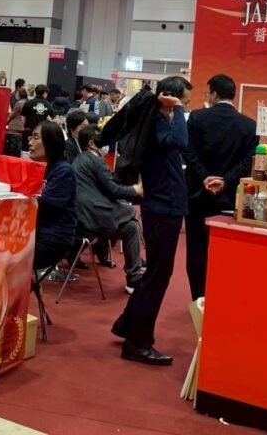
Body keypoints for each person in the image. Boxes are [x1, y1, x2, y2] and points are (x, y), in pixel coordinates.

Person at [113, 75, 191, 366]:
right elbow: (180, 141)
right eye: (184, 101)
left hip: (165, 204)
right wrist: (177, 109)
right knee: (158, 275)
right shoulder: (158, 122)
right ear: (170, 99)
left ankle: (127, 324)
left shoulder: (160, 122)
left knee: (156, 273)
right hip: (162, 207)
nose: (186, 107)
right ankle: (138, 342)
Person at [183, 73, 257, 300]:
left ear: (214, 94)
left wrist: (206, 177)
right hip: (229, 198)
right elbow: (248, 162)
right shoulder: (249, 125)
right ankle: (221, 299)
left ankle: (199, 300)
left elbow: (188, 152)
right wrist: (225, 180)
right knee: (225, 250)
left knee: (196, 250)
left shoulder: (196, 117)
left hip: (197, 194)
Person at [73, 125, 144, 293]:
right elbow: (112, 189)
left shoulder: (81, 159)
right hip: (92, 217)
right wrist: (135, 190)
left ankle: (132, 272)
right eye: (103, 140)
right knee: (129, 214)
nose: (106, 144)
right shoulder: (96, 160)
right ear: (91, 143)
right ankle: (133, 275)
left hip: (82, 215)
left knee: (130, 227)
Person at [29, 122, 77, 272]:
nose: (30, 142)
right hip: (33, 231)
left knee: (5, 257)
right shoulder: (37, 167)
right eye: (31, 137)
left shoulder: (63, 171)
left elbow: (47, 207)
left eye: (36, 137)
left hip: (52, 237)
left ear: (51, 142)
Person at [21, 84, 54, 149]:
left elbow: (23, 117)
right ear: (45, 93)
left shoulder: (28, 103)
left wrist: (25, 126)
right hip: (42, 133)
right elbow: (50, 120)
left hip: (28, 131)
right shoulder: (49, 105)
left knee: (26, 150)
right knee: (39, 150)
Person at [5, 87, 28, 156]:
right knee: (18, 148)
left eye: (17, 93)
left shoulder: (19, 103)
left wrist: (6, 122)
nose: (15, 95)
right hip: (22, 128)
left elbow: (13, 114)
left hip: (15, 127)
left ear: (20, 94)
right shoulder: (27, 102)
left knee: (12, 148)